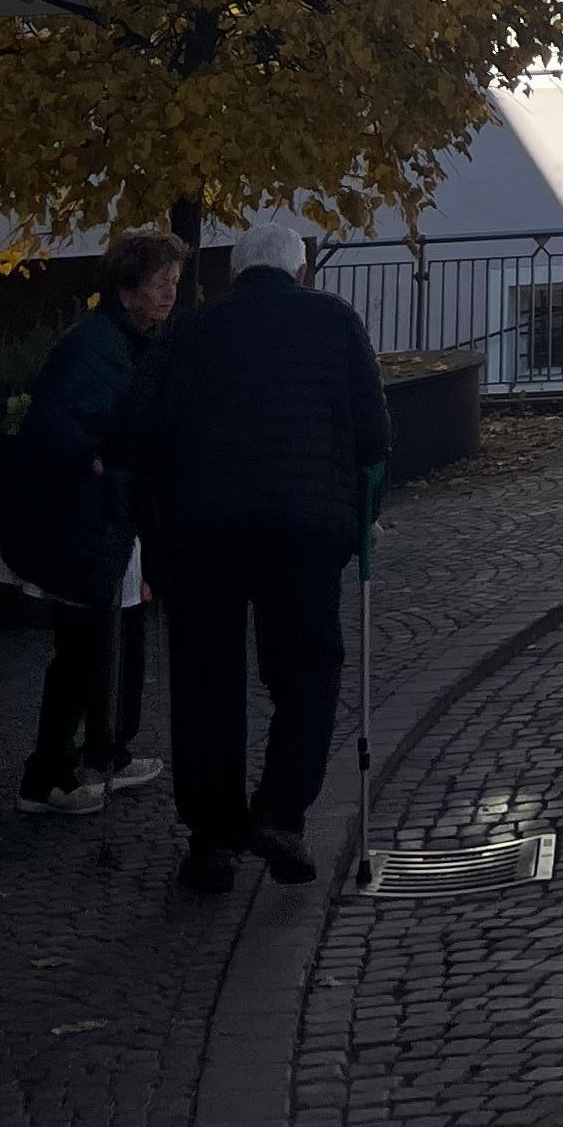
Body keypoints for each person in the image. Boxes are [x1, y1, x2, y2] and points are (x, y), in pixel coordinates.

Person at [123, 212, 389, 896]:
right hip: (304, 527)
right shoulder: (335, 321)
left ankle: (213, 840)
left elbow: (142, 427)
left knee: (206, 680)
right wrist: (360, 518)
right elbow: (375, 435)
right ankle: (281, 814)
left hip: (202, 531)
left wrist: (154, 523)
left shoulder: (191, 330)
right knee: (307, 668)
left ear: (235, 272)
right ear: (301, 271)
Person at [5, 226, 185, 819]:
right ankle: (48, 777)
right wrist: (100, 459)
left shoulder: (133, 341)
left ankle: (99, 753)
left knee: (108, 643)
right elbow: (59, 425)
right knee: (82, 651)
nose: (170, 293)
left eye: (174, 282)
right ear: (128, 289)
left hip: (108, 517)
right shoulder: (95, 346)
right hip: (83, 521)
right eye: (159, 283)